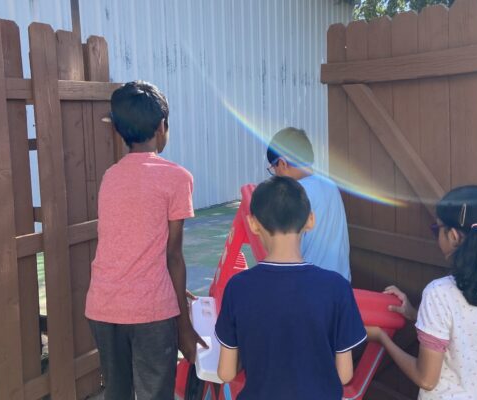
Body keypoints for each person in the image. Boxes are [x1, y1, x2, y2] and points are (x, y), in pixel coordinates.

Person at [85, 81, 206, 400]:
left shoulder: (111, 176)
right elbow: (173, 256)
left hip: (103, 306)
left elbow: (127, 245)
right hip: (151, 312)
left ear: (119, 132)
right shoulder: (177, 178)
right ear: (162, 126)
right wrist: (184, 327)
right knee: (155, 394)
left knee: (117, 393)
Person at [215, 176, 366, 400]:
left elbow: (226, 372)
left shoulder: (238, 287)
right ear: (311, 220)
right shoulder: (337, 288)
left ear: (254, 224)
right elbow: (344, 374)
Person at [367, 185, 477, 400]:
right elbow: (470, 325)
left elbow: (426, 379)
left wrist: (382, 338)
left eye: (437, 229)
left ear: (454, 235)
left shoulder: (439, 293)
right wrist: (413, 313)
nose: (436, 234)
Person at [266, 127, 351, 281]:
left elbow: (283, 253)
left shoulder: (295, 194)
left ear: (283, 163)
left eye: (274, 169)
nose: (275, 175)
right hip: (341, 282)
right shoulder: (330, 185)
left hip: (310, 288)